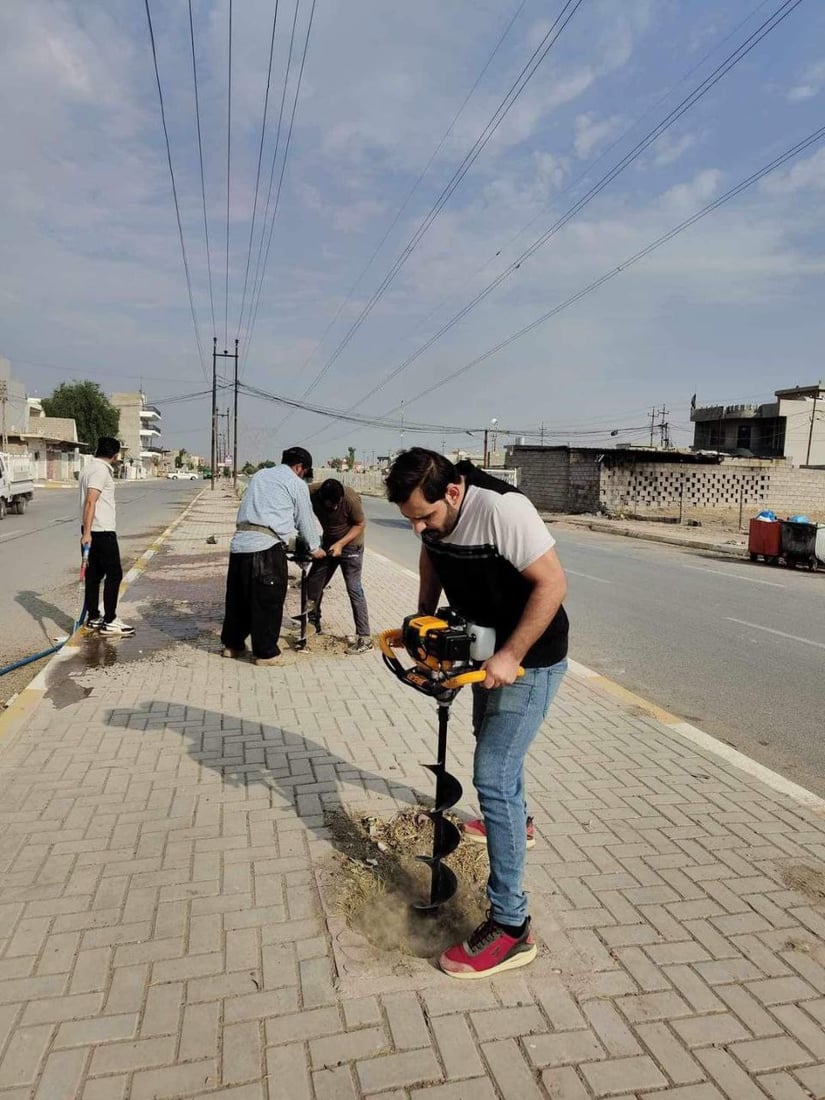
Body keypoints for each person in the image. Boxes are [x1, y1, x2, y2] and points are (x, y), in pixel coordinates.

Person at [385, 447, 568, 979]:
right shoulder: (432, 523)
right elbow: (431, 555)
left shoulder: (503, 511)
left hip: (530, 659)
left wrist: (511, 655)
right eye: (410, 520)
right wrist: (422, 617)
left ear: (455, 492)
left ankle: (512, 928)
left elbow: (553, 584)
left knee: (492, 771)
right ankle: (517, 821)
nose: (420, 528)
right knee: (493, 750)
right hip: (483, 652)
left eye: (426, 516)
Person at [221, 446, 325, 666]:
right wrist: (315, 547)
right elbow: (304, 518)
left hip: (239, 544)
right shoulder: (296, 483)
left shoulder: (260, 475)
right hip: (266, 548)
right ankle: (266, 653)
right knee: (267, 601)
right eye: (305, 472)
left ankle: (233, 646)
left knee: (238, 599)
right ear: (300, 468)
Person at [305, 478, 373, 655]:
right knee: (313, 583)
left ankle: (365, 637)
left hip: (351, 545)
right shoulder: (310, 492)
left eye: (337, 504)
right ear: (321, 497)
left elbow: (360, 524)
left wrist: (341, 544)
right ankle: (313, 624)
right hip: (328, 543)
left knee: (354, 588)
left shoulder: (350, 498)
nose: (334, 508)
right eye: (330, 505)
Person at [79, 436, 135, 636]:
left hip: (92, 530)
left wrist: (86, 531)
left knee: (93, 576)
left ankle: (93, 617)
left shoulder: (88, 468)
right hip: (101, 532)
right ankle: (110, 620)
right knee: (114, 574)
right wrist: (87, 533)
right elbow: (91, 501)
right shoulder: (100, 471)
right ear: (115, 455)